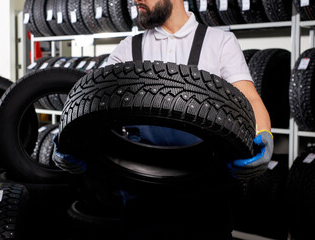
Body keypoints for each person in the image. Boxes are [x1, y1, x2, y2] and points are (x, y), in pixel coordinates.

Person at [103, 0, 274, 239]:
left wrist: (263, 132)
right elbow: (94, 98)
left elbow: (250, 99)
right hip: (143, 195)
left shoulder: (219, 42)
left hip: (206, 194)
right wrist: (72, 135)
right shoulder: (128, 48)